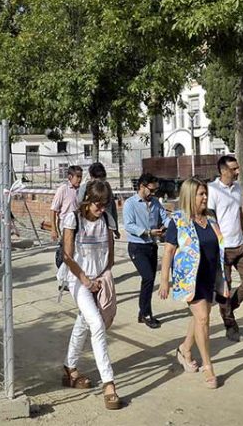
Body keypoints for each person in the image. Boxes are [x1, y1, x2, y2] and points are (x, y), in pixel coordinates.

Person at [159, 178, 228, 389]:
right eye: (201, 194)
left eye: (206, 193)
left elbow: (220, 247)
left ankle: (184, 349)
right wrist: (164, 281)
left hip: (209, 276)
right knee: (204, 318)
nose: (205, 197)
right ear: (190, 196)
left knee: (200, 318)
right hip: (189, 279)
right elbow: (169, 250)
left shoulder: (211, 220)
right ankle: (208, 367)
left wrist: (224, 276)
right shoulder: (178, 220)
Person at [59, 180, 121, 410]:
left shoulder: (107, 220)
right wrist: (85, 280)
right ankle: (109, 383)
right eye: (97, 204)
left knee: (83, 323)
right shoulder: (73, 219)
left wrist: (102, 279)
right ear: (87, 200)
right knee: (96, 324)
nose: (101, 208)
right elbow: (67, 256)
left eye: (104, 204)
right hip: (77, 279)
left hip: (99, 279)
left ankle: (69, 368)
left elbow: (110, 257)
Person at [208, 155, 243, 342]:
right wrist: (217, 243)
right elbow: (211, 217)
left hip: (240, 244)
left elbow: (238, 211)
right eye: (234, 169)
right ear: (223, 171)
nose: (238, 172)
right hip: (224, 248)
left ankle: (228, 308)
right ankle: (230, 326)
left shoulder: (237, 188)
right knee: (224, 289)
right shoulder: (212, 190)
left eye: (238, 168)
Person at [123, 172, 170, 329]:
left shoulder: (156, 202)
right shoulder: (130, 203)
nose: (153, 193)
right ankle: (146, 313)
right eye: (151, 189)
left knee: (148, 280)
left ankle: (143, 310)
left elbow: (165, 217)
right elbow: (129, 225)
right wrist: (147, 232)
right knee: (148, 277)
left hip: (152, 245)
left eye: (155, 190)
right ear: (142, 186)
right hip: (137, 246)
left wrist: (167, 225)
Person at [78, 162, 120, 240]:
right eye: (97, 178)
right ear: (91, 177)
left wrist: (115, 228)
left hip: (106, 227)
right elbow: (79, 208)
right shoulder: (85, 188)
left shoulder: (107, 187)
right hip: (89, 229)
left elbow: (113, 209)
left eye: (102, 178)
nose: (100, 182)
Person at [50, 166, 83, 241]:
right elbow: (53, 210)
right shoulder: (63, 189)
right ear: (70, 177)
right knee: (66, 247)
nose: (80, 179)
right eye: (77, 177)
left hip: (77, 224)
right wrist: (53, 229)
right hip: (65, 225)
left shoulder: (80, 190)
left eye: (81, 177)